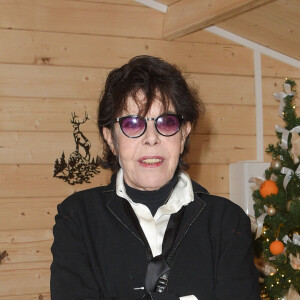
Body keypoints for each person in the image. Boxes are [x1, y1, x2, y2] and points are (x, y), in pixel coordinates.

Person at [50, 55, 260, 299]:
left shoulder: (227, 223)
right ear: (110, 138)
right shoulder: (77, 218)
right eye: (132, 124)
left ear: (184, 134)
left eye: (167, 122)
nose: (151, 138)